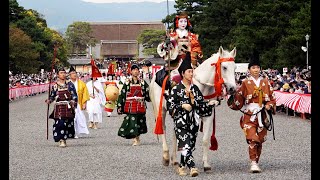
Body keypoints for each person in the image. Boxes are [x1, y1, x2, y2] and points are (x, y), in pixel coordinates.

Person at [166, 53, 218, 177]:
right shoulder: (175, 89)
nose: (191, 73)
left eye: (192, 71)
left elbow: (200, 104)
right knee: (185, 144)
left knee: (190, 145)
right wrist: (181, 106)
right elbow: (170, 106)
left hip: (193, 122)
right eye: (189, 71)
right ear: (183, 73)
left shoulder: (195, 89)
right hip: (181, 122)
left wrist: (210, 103)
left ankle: (182, 166)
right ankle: (193, 167)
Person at [227, 51, 276, 173]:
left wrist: (269, 105)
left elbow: (272, 98)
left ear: (260, 69)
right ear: (249, 70)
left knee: (260, 140)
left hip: (262, 114)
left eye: (258, 67)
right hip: (249, 113)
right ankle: (253, 162)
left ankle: (256, 161)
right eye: (253, 67)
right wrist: (232, 97)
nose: (256, 69)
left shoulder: (266, 82)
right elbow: (239, 98)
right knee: (252, 138)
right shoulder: (245, 83)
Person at [156, 11, 203, 88]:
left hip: (190, 61)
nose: (183, 23)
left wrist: (192, 55)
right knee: (172, 79)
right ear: (177, 22)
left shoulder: (192, 36)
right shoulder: (171, 35)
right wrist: (168, 43)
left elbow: (197, 48)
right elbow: (164, 49)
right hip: (175, 62)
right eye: (181, 21)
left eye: (185, 21)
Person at [117, 64, 151, 146]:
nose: (136, 71)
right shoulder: (127, 82)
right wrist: (119, 105)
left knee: (139, 122)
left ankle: (137, 137)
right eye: (134, 70)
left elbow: (147, 92)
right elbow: (122, 94)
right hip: (131, 105)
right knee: (132, 121)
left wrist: (151, 98)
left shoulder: (142, 82)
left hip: (140, 104)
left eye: (137, 70)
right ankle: (135, 139)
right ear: (131, 71)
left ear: (139, 72)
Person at [45, 66, 78, 147]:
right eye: (61, 73)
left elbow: (74, 95)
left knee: (67, 124)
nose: (63, 74)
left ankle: (64, 138)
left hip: (67, 106)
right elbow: (52, 96)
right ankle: (61, 139)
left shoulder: (70, 84)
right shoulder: (55, 86)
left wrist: (73, 101)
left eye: (64, 73)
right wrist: (49, 100)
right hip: (58, 107)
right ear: (57, 75)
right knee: (60, 123)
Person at [69, 66, 90, 138]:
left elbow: (85, 93)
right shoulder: (67, 84)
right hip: (70, 103)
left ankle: (77, 132)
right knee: (72, 118)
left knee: (78, 118)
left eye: (75, 73)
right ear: (70, 75)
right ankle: (72, 132)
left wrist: (84, 103)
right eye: (72, 73)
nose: (74, 75)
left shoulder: (81, 83)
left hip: (78, 103)